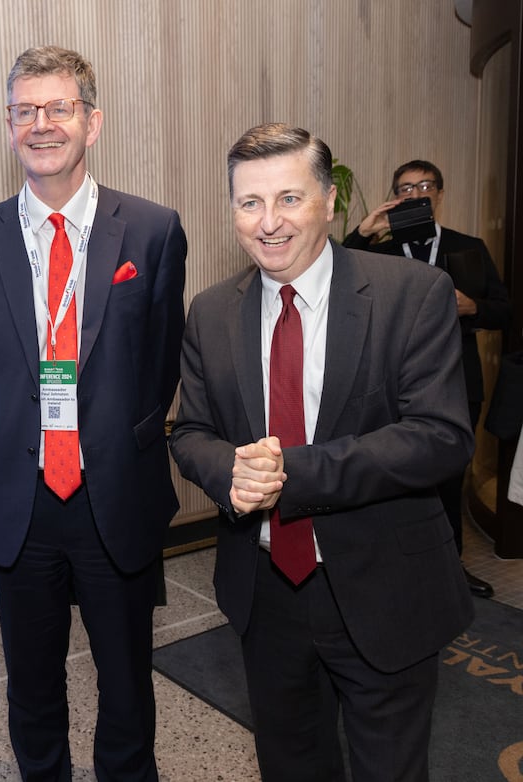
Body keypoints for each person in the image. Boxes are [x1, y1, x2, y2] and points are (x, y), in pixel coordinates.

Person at [170, 123, 474, 782]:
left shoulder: (409, 295)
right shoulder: (212, 311)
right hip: (266, 595)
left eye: (289, 198)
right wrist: (230, 473)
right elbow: (190, 431)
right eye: (249, 202)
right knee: (291, 765)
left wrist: (290, 474)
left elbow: (441, 437)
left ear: (330, 202)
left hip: (384, 583)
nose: (268, 222)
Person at [0, 46, 186, 781]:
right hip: (20, 503)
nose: (42, 124)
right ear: (8, 123)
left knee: (127, 687)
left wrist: (113, 440)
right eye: (26, 110)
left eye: (60, 108)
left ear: (93, 121)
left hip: (116, 495)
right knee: (33, 689)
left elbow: (162, 362)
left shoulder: (151, 229)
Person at [342, 160, 511, 598]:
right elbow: (336, 277)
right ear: (394, 195)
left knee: (450, 478)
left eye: (424, 185)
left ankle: (450, 569)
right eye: (405, 187)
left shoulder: (468, 247)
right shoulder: (377, 251)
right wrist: (364, 230)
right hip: (388, 383)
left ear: (439, 192)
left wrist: (472, 307)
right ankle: (393, 568)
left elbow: (506, 310)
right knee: (391, 475)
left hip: (458, 379)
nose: (416, 193)